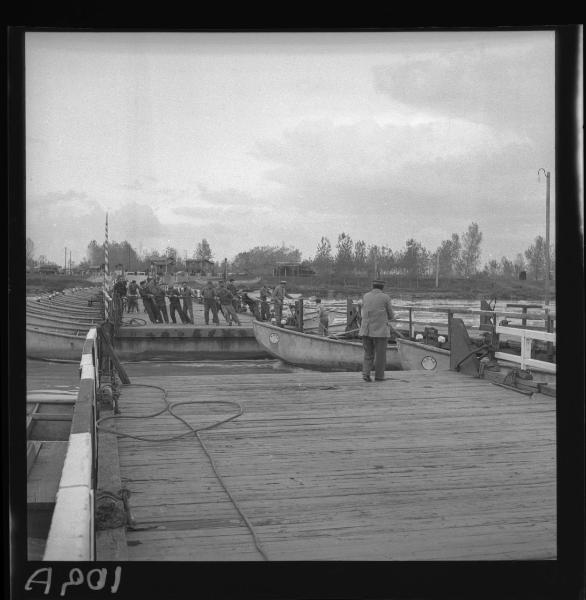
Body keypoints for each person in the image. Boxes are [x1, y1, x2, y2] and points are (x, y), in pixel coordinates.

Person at [359, 279, 395, 382]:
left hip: (365, 329)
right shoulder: (385, 297)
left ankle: (366, 373)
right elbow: (391, 315)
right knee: (380, 355)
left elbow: (363, 311)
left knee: (368, 354)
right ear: (382, 287)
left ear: (373, 286)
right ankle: (379, 376)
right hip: (380, 331)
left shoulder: (365, 296)